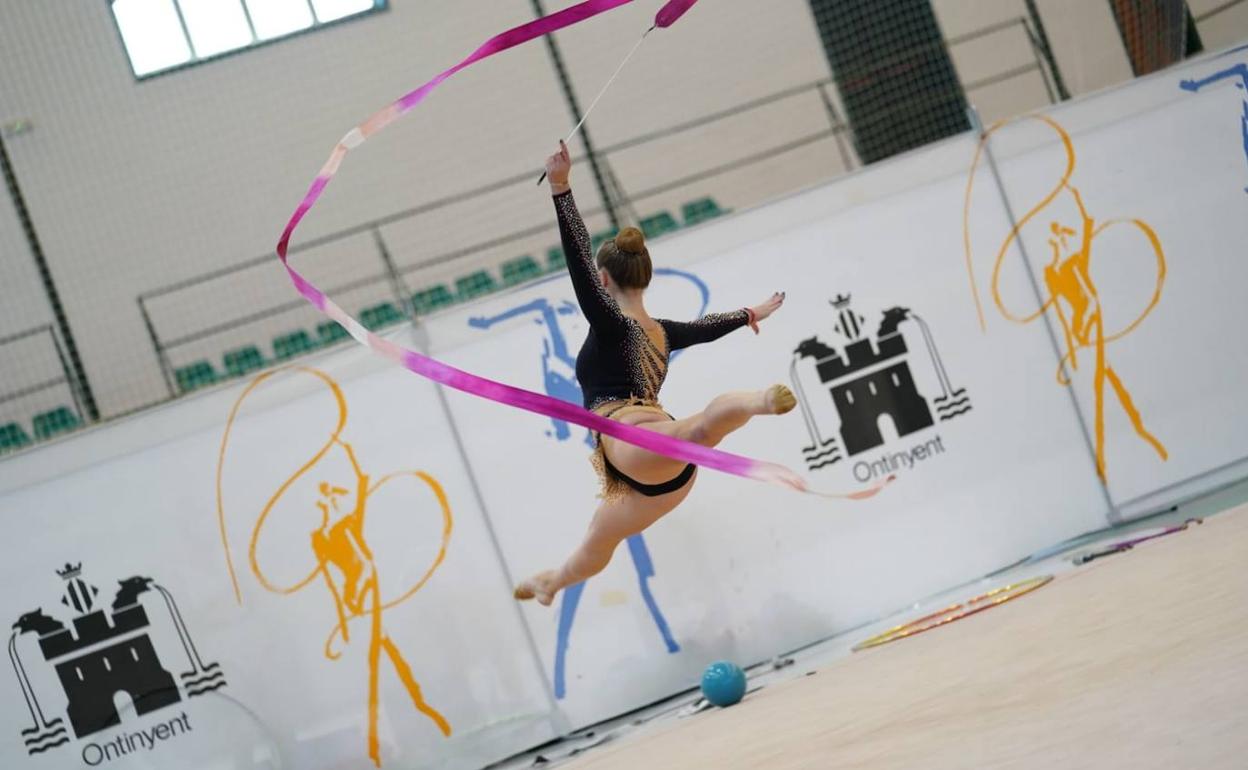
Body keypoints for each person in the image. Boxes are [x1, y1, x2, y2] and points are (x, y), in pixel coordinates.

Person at [514, 141, 794, 606]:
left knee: (693, 431)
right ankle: (551, 583)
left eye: (597, 281)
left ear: (605, 281)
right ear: (644, 278)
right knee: (596, 540)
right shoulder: (663, 332)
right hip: (661, 475)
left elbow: (579, 263)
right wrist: (748, 313)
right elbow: (707, 328)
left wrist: (561, 189)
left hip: (634, 444)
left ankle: (759, 402)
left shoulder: (612, 325)